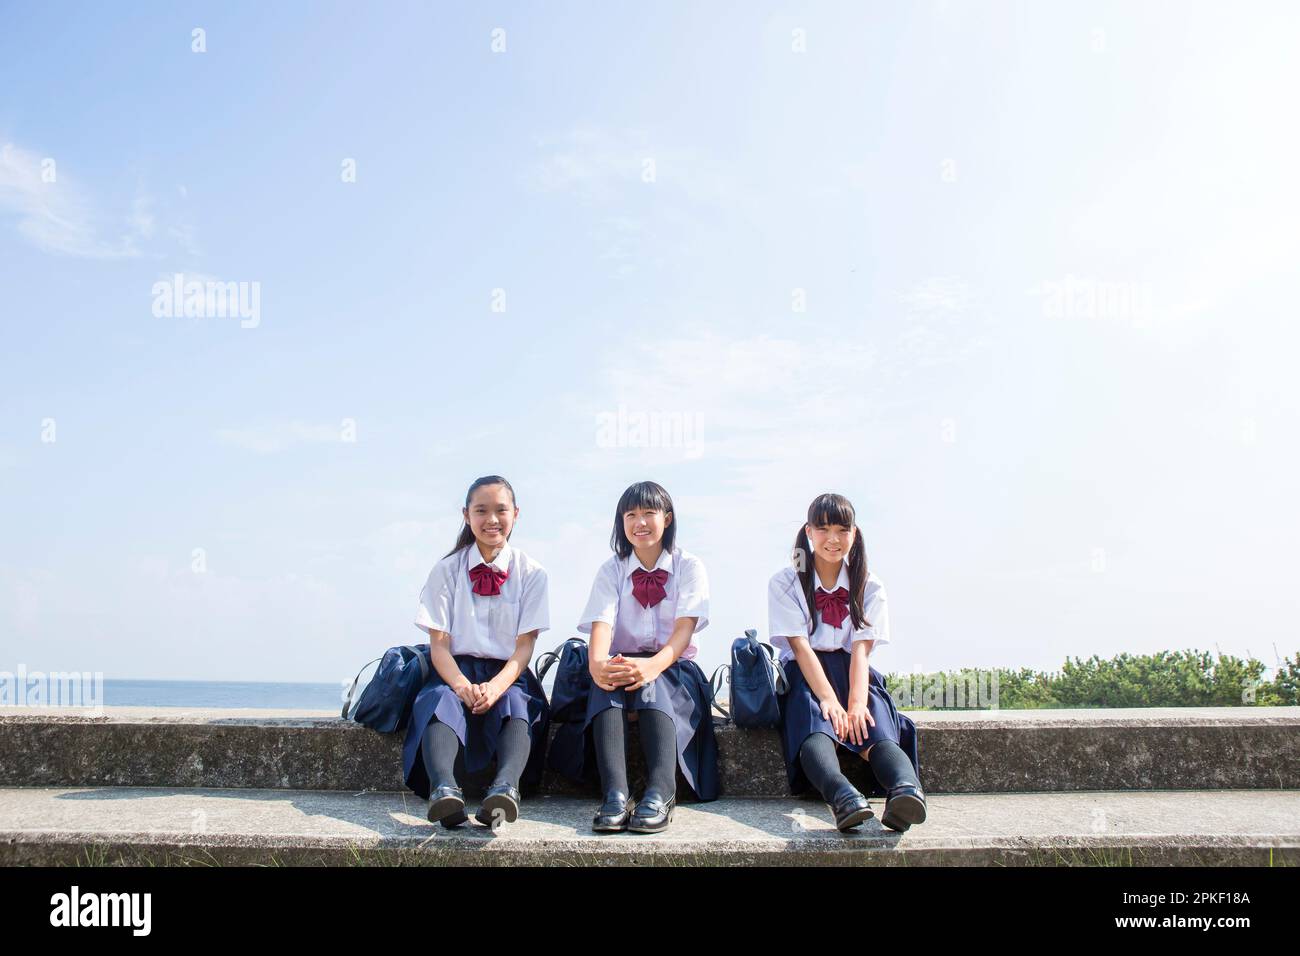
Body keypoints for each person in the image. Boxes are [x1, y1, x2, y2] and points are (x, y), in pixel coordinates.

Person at [554, 480, 718, 833]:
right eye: (630, 515)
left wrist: (650, 667)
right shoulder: (611, 569)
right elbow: (601, 627)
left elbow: (683, 634)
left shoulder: (689, 566)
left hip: (674, 667)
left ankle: (661, 790)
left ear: (667, 518)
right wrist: (599, 667)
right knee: (608, 677)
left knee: (651, 682)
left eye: (648, 513)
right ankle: (614, 793)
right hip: (624, 661)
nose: (639, 522)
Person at [768, 492, 925, 832]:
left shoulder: (869, 583)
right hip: (806, 672)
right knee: (814, 730)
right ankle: (844, 798)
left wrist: (855, 703)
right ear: (808, 532)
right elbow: (799, 647)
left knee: (877, 727)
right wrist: (828, 700)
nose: (833, 539)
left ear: (855, 533)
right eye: (823, 529)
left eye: (842, 529)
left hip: (854, 670)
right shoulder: (785, 581)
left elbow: (861, 651)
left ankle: (905, 790)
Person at [400, 475, 550, 829]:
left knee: (518, 703)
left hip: (509, 671)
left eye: (501, 510)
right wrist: (462, 686)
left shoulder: (532, 573)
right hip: (455, 668)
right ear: (466, 515)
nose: (492, 519)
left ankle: (505, 789)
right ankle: (444, 790)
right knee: (439, 700)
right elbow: (439, 645)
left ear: (516, 514)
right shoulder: (446, 570)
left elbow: (525, 646)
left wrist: (496, 687)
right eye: (481, 510)